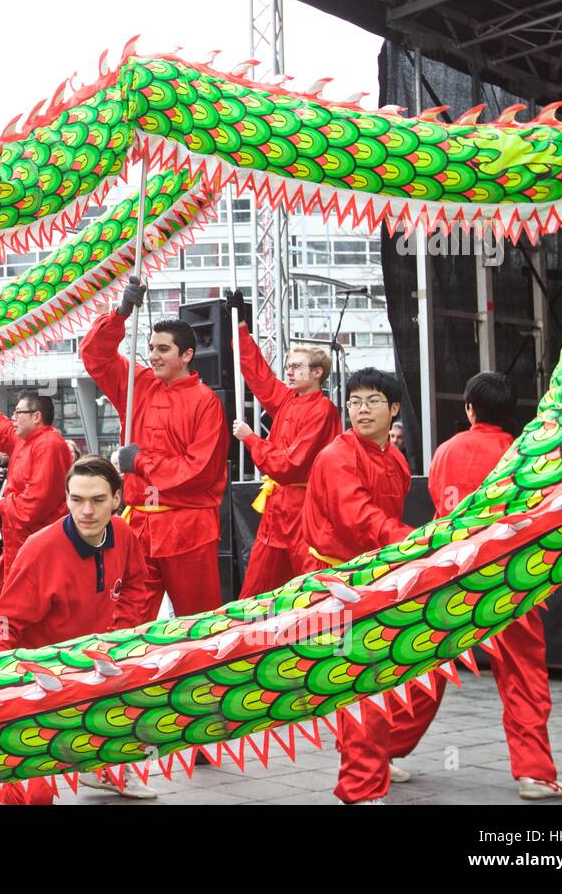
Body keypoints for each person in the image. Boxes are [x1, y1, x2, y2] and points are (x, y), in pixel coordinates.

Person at [383, 372, 562, 801]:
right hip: (511, 578)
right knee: (523, 676)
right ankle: (534, 775)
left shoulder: (445, 451)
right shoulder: (523, 454)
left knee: (424, 672)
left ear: (469, 409)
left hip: (451, 577)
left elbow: (437, 503)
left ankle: (380, 753)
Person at [0, 455, 152, 803]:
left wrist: (118, 637)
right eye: (77, 500)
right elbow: (0, 622)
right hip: (41, 675)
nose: (86, 510)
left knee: (140, 676)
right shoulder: (41, 549)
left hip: (93, 663)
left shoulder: (122, 531)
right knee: (33, 797)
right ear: (67, 498)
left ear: (117, 499)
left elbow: (136, 584)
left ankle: (106, 764)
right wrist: (8, 675)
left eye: (98, 500)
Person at [80, 276, 229, 622]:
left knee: (198, 622)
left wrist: (141, 462)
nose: (153, 355)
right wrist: (120, 314)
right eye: (151, 348)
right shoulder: (138, 384)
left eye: (163, 349)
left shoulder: (206, 402)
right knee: (126, 619)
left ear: (187, 354)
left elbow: (200, 470)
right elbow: (94, 356)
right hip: (140, 527)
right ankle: (129, 677)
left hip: (187, 530)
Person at [298, 368, 414, 805]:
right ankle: (360, 787)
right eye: (354, 401)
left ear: (394, 409)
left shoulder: (396, 459)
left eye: (372, 401)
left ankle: (373, 759)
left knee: (390, 674)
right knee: (362, 679)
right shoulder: (336, 456)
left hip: (374, 577)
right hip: (337, 582)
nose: (362, 410)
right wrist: (414, 543)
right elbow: (359, 517)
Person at [225, 290, 341, 598]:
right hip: (278, 511)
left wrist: (251, 439)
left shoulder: (323, 410)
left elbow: (290, 466)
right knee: (256, 590)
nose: (289, 370)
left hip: (306, 512)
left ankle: (319, 642)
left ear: (317, 373)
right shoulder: (289, 400)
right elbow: (258, 374)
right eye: (289, 365)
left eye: (297, 366)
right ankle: (250, 643)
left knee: (310, 590)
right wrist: (240, 325)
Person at [0, 390, 73, 621]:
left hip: (35, 550)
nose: (13, 417)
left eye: (18, 412)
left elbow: (36, 502)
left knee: (23, 615)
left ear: (36, 416)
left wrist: (3, 505)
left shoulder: (49, 445)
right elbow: (2, 429)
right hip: (16, 546)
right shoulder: (25, 440)